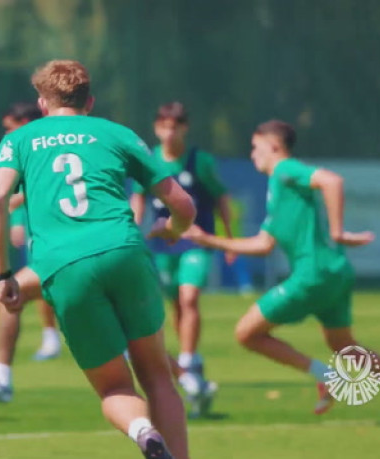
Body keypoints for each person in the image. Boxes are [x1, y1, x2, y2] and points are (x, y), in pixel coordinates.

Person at [153, 119, 380, 424]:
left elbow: (332, 181)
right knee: (343, 346)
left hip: (312, 274)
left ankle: (326, 376)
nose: (252, 155)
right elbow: (263, 244)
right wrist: (207, 239)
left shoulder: (286, 169)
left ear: (274, 147)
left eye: (255, 147)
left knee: (247, 334)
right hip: (336, 272)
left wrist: (339, 231)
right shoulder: (278, 185)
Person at [0, 60, 196, 459]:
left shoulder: (20, 139)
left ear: (42, 103)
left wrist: (3, 274)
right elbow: (182, 203)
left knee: (115, 387)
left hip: (65, 267)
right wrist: (175, 229)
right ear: (90, 101)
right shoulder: (118, 134)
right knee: (159, 378)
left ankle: (143, 430)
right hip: (125, 252)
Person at [130, 102, 233, 417]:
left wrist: (228, 239)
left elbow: (220, 198)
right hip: (162, 246)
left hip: (195, 242)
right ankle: (192, 366)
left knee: (189, 299)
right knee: (175, 303)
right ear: (157, 128)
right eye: (164, 125)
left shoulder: (198, 161)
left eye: (175, 125)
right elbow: (139, 196)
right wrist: (135, 229)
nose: (169, 131)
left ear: (184, 128)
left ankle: (187, 359)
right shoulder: (149, 161)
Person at [0, 102, 62, 402]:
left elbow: (1, 199)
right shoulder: (68, 141)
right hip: (98, 248)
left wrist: (15, 203)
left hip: (63, 247)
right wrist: (18, 216)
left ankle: (2, 376)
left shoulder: (33, 148)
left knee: (9, 293)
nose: (6, 134)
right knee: (130, 336)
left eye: (9, 127)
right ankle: (188, 380)